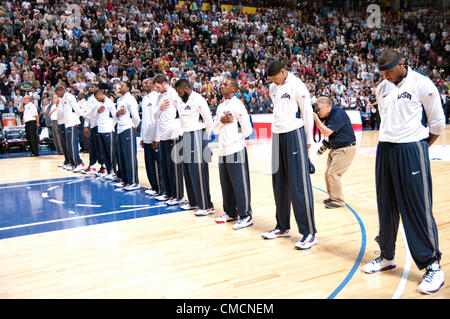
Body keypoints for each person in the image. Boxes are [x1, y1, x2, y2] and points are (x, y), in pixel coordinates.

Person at [362, 48, 446, 295]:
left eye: (389, 72)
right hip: (385, 149)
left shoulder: (423, 84)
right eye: (383, 73)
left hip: (411, 149)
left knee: (417, 207)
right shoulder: (383, 87)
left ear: (401, 65)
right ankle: (387, 256)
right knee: (386, 205)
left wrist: (418, 147)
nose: (385, 77)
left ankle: (433, 266)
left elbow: (437, 123)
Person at [261, 60, 317, 250]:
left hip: (294, 134)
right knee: (278, 183)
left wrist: (308, 141)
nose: (274, 82)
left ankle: (309, 232)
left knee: (298, 185)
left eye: (276, 78)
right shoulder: (273, 88)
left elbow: (307, 112)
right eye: (272, 80)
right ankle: (282, 226)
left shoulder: (297, 85)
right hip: (277, 135)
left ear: (283, 72)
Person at [213, 77, 254, 230]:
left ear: (233, 89)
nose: (222, 86)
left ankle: (246, 216)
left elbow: (247, 130)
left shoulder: (238, 105)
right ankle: (230, 213)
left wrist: (234, 139)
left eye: (225, 84)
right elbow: (215, 129)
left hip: (235, 149)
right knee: (226, 185)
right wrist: (221, 121)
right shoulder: (220, 106)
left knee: (239, 184)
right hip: (222, 150)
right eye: (222, 84)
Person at [174, 78, 215, 216]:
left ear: (186, 88)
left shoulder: (198, 99)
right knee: (188, 170)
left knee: (198, 170)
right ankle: (193, 202)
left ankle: (206, 205)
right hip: (185, 135)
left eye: (179, 91)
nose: (178, 94)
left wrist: (205, 138)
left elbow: (208, 119)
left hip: (197, 134)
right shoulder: (179, 100)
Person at [312, 96, 356, 208]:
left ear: (328, 106)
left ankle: (338, 200)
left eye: (319, 108)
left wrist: (316, 119)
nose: (317, 111)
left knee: (333, 174)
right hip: (335, 148)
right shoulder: (329, 115)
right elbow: (331, 136)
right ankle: (333, 196)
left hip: (345, 149)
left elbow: (327, 132)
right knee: (328, 174)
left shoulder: (338, 114)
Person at [153, 74, 184, 204]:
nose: (157, 89)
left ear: (165, 83)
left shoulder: (174, 94)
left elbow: (181, 111)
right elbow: (155, 115)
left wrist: (178, 127)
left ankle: (178, 196)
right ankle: (168, 193)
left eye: (158, 87)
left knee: (174, 166)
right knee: (164, 165)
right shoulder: (159, 97)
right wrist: (160, 107)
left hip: (173, 134)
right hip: (163, 135)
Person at [115, 81, 141, 191]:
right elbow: (116, 115)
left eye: (122, 85)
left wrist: (132, 127)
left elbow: (136, 116)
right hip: (119, 129)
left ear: (128, 88)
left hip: (127, 128)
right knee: (121, 156)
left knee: (129, 156)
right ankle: (125, 180)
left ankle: (134, 182)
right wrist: (117, 114)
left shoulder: (130, 99)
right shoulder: (120, 99)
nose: (120, 87)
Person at [140, 78, 162, 196]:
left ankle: (160, 188)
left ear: (153, 85)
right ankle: (154, 187)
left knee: (156, 164)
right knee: (148, 164)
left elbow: (157, 118)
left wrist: (157, 138)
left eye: (147, 82)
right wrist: (142, 137)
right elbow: (144, 119)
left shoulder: (156, 97)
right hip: (147, 135)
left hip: (154, 135)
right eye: (144, 83)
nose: (145, 84)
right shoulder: (144, 98)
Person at [55, 86, 85, 172]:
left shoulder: (68, 96)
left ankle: (79, 163)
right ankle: (74, 163)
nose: (58, 95)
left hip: (72, 122)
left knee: (72, 144)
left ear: (62, 90)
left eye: (58, 93)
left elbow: (75, 107)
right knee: (69, 145)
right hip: (67, 123)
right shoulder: (63, 98)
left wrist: (79, 115)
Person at [93, 89, 117, 180]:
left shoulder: (110, 103)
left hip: (108, 130)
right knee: (104, 152)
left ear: (101, 94)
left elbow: (115, 116)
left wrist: (112, 127)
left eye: (97, 98)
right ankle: (108, 170)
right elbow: (94, 117)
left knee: (110, 152)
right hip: (100, 130)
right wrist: (98, 111)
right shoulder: (97, 104)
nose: (97, 100)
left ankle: (113, 171)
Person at [82, 84, 106, 175]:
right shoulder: (90, 99)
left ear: (97, 88)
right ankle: (92, 165)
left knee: (100, 147)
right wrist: (86, 125)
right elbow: (88, 113)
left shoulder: (102, 99)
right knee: (93, 146)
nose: (90, 89)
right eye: (90, 87)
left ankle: (103, 166)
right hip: (93, 125)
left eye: (92, 87)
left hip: (99, 125)